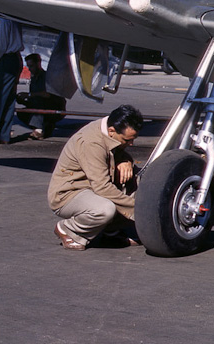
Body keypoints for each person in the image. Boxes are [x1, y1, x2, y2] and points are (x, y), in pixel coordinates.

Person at [48, 104, 145, 250]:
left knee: (138, 181)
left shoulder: (109, 130)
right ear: (112, 131)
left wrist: (126, 160)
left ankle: (111, 231)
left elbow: (112, 152)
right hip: (69, 193)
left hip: (93, 186)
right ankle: (69, 230)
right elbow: (102, 187)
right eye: (127, 140)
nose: (131, 144)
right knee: (105, 209)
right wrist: (139, 210)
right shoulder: (91, 142)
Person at [16, 52, 66, 139]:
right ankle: (45, 127)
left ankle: (39, 129)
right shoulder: (34, 78)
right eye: (28, 66)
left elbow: (47, 94)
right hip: (42, 105)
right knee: (22, 112)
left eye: (31, 66)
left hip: (54, 106)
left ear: (38, 63)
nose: (29, 69)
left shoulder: (46, 77)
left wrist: (29, 95)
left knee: (38, 101)